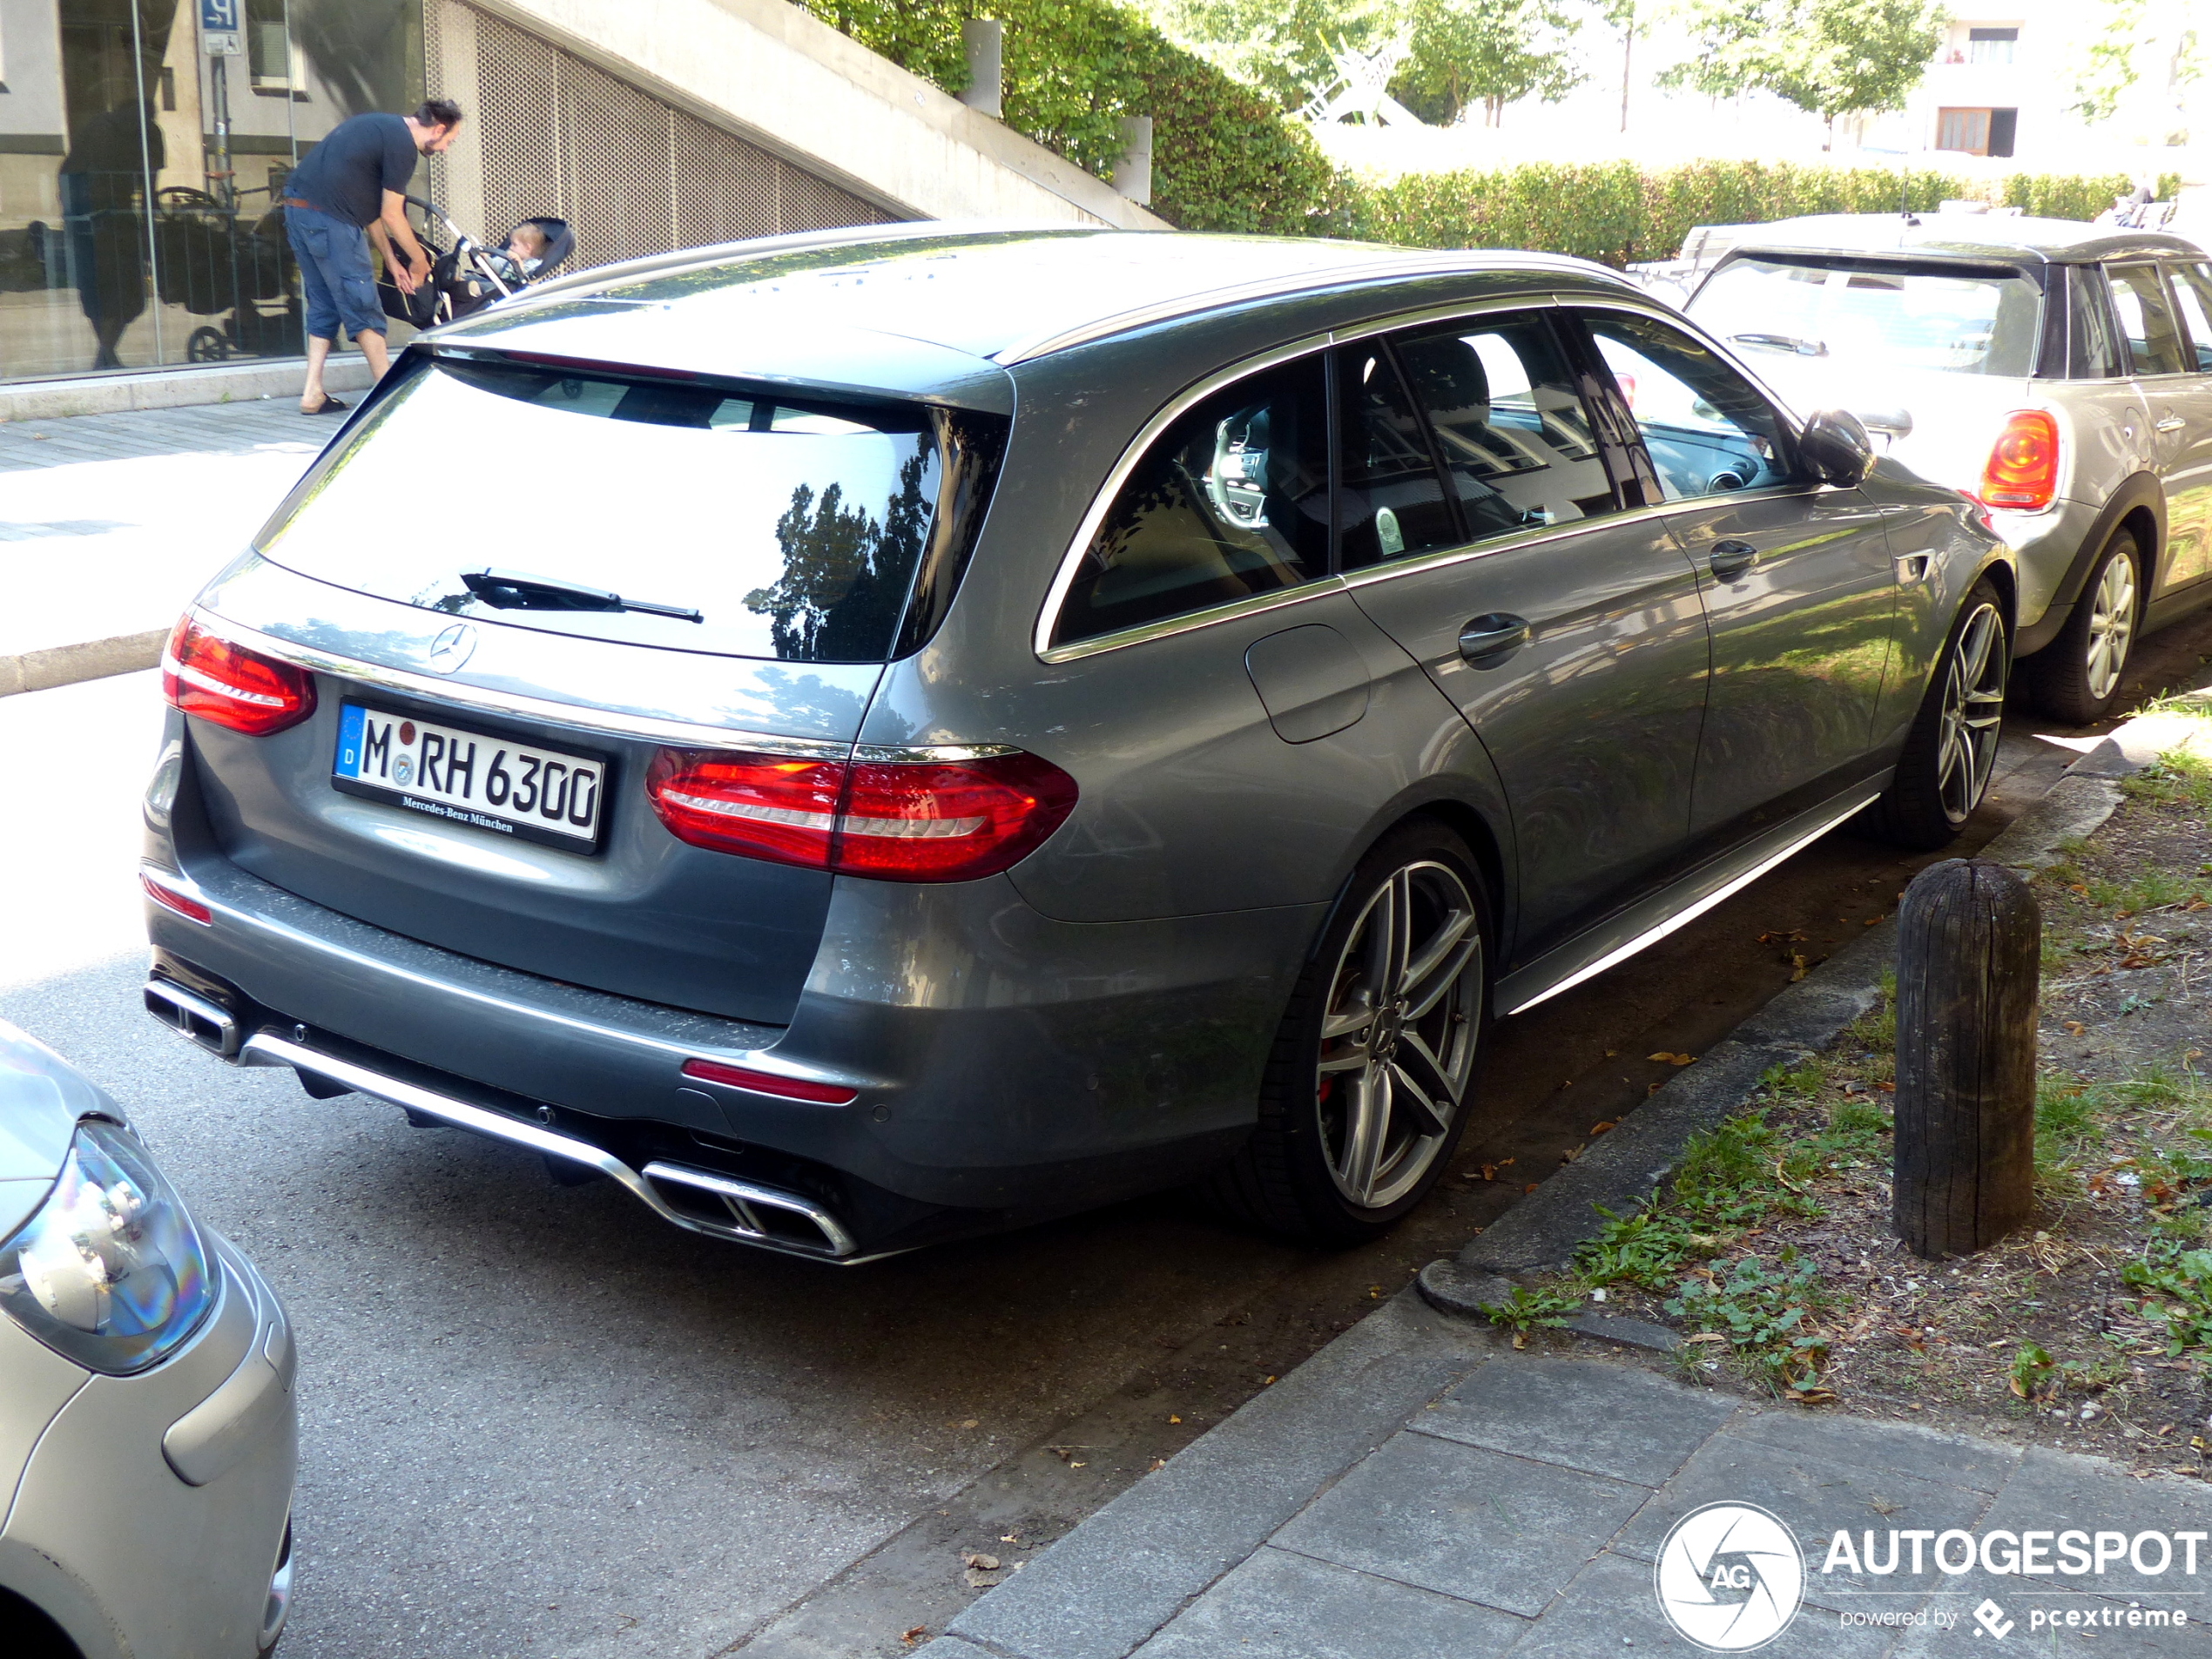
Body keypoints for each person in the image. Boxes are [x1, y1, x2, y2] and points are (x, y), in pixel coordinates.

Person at [281, 97, 462, 414]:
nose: (446, 148)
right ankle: (389, 398)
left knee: (324, 301)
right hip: (330, 219)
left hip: (298, 212)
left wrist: (391, 259)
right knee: (362, 300)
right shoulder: (404, 146)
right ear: (439, 129)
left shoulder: (380, 125)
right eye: (450, 141)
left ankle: (312, 393)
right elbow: (393, 215)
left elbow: (371, 211)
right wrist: (420, 261)